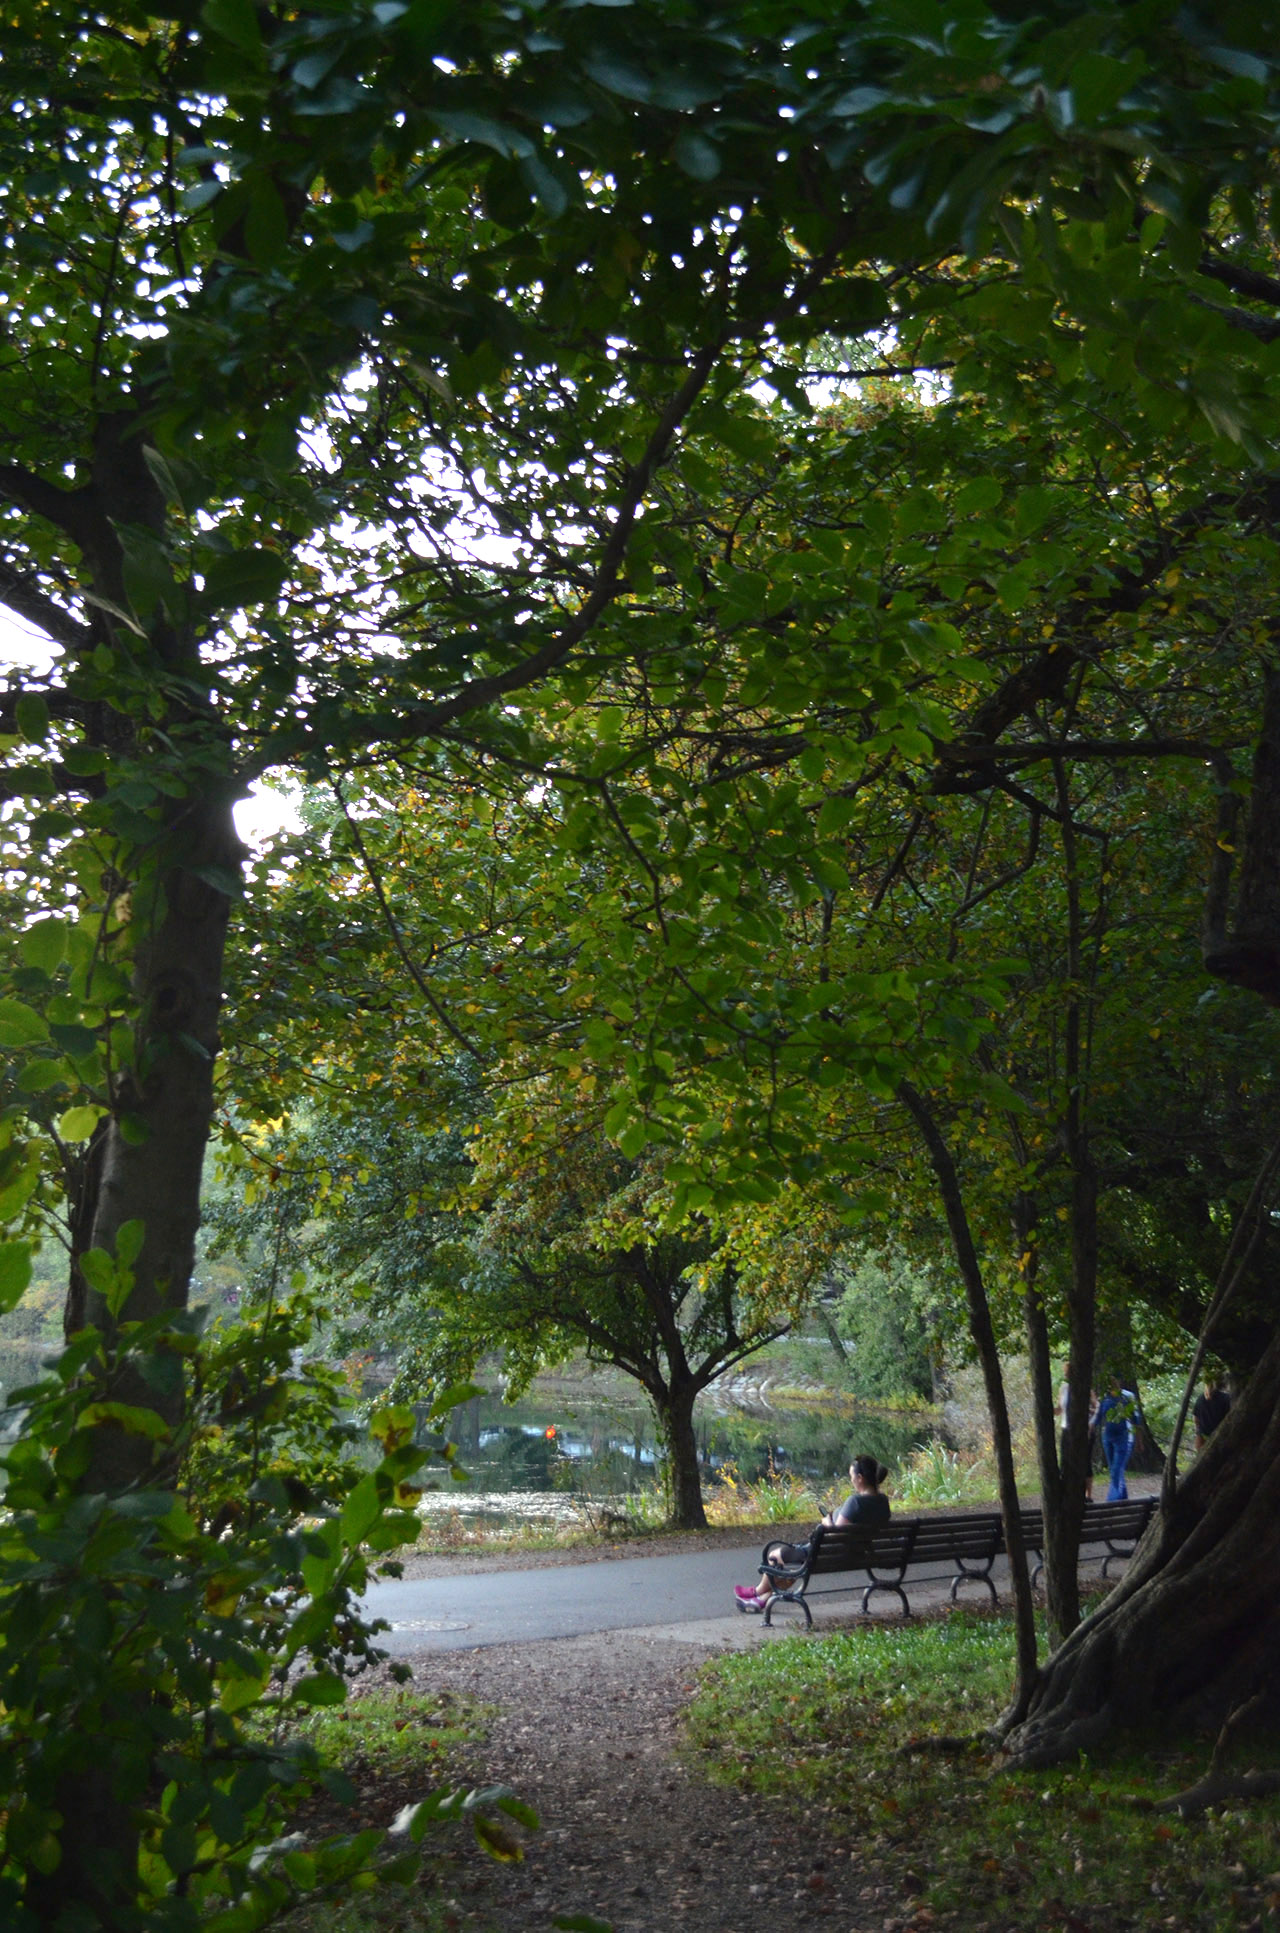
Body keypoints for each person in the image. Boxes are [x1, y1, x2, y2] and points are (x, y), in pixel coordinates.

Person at [733, 1454, 889, 1613]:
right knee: (796, 1553)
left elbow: (836, 1535)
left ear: (860, 1478)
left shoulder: (856, 1501)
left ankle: (757, 1591)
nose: (851, 1480)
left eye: (852, 1476)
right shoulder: (883, 1501)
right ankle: (761, 1600)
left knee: (775, 1555)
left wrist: (826, 1522)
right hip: (857, 1554)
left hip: (827, 1554)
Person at [1093, 1378, 1140, 1502]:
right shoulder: (1104, 1398)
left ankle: (1112, 1500)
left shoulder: (1126, 1398)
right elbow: (1098, 1417)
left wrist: (1138, 1440)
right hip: (1107, 1437)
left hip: (1123, 1437)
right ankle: (1123, 1498)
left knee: (1116, 1469)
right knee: (1113, 1469)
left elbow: (1135, 1418)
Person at [1058, 1362, 1097, 1503]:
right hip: (1066, 1428)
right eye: (1066, 1373)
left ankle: (1088, 1495)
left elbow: (1096, 1407)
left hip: (1084, 1429)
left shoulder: (1085, 1389)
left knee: (1085, 1461)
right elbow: (1060, 1409)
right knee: (1065, 1461)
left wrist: (1090, 1422)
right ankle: (1067, 1492)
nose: (1066, 1375)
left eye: (1068, 1372)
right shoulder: (1063, 1388)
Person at [1193, 1377, 1230, 1451]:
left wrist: (1198, 1432)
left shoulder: (1200, 1398)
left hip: (1204, 1437)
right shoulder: (1226, 1398)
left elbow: (1195, 1419)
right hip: (1218, 1437)